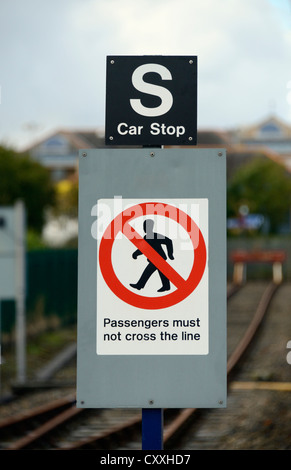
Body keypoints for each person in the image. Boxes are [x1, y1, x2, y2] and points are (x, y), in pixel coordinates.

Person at [130, 219, 174, 292]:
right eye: (144, 226)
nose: (144, 228)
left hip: (159, 259)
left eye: (145, 226)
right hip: (155, 259)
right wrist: (135, 254)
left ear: (150, 227)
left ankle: (139, 285)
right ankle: (166, 286)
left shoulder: (156, 236)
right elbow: (143, 249)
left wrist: (170, 254)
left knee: (147, 272)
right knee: (162, 272)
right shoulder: (146, 237)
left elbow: (168, 241)